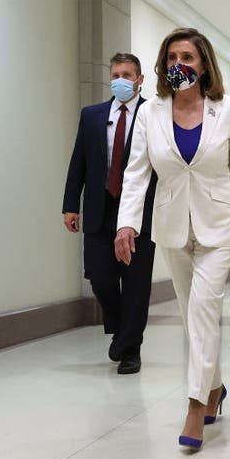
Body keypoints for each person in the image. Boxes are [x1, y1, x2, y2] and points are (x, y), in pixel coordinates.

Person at [113, 28, 230, 449]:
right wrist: (127, 224)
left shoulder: (227, 109)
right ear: (164, 65)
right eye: (173, 56)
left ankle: (196, 404)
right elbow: (137, 172)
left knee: (202, 308)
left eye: (189, 57)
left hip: (219, 226)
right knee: (191, 314)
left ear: (203, 65)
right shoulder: (151, 113)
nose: (181, 63)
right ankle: (215, 386)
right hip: (172, 226)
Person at [62, 53, 155, 375]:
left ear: (140, 79)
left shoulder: (154, 114)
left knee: (136, 284)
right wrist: (70, 204)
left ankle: (130, 349)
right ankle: (121, 329)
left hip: (142, 212)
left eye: (127, 74)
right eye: (116, 74)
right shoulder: (92, 115)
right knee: (100, 277)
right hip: (101, 209)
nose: (120, 80)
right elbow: (79, 162)